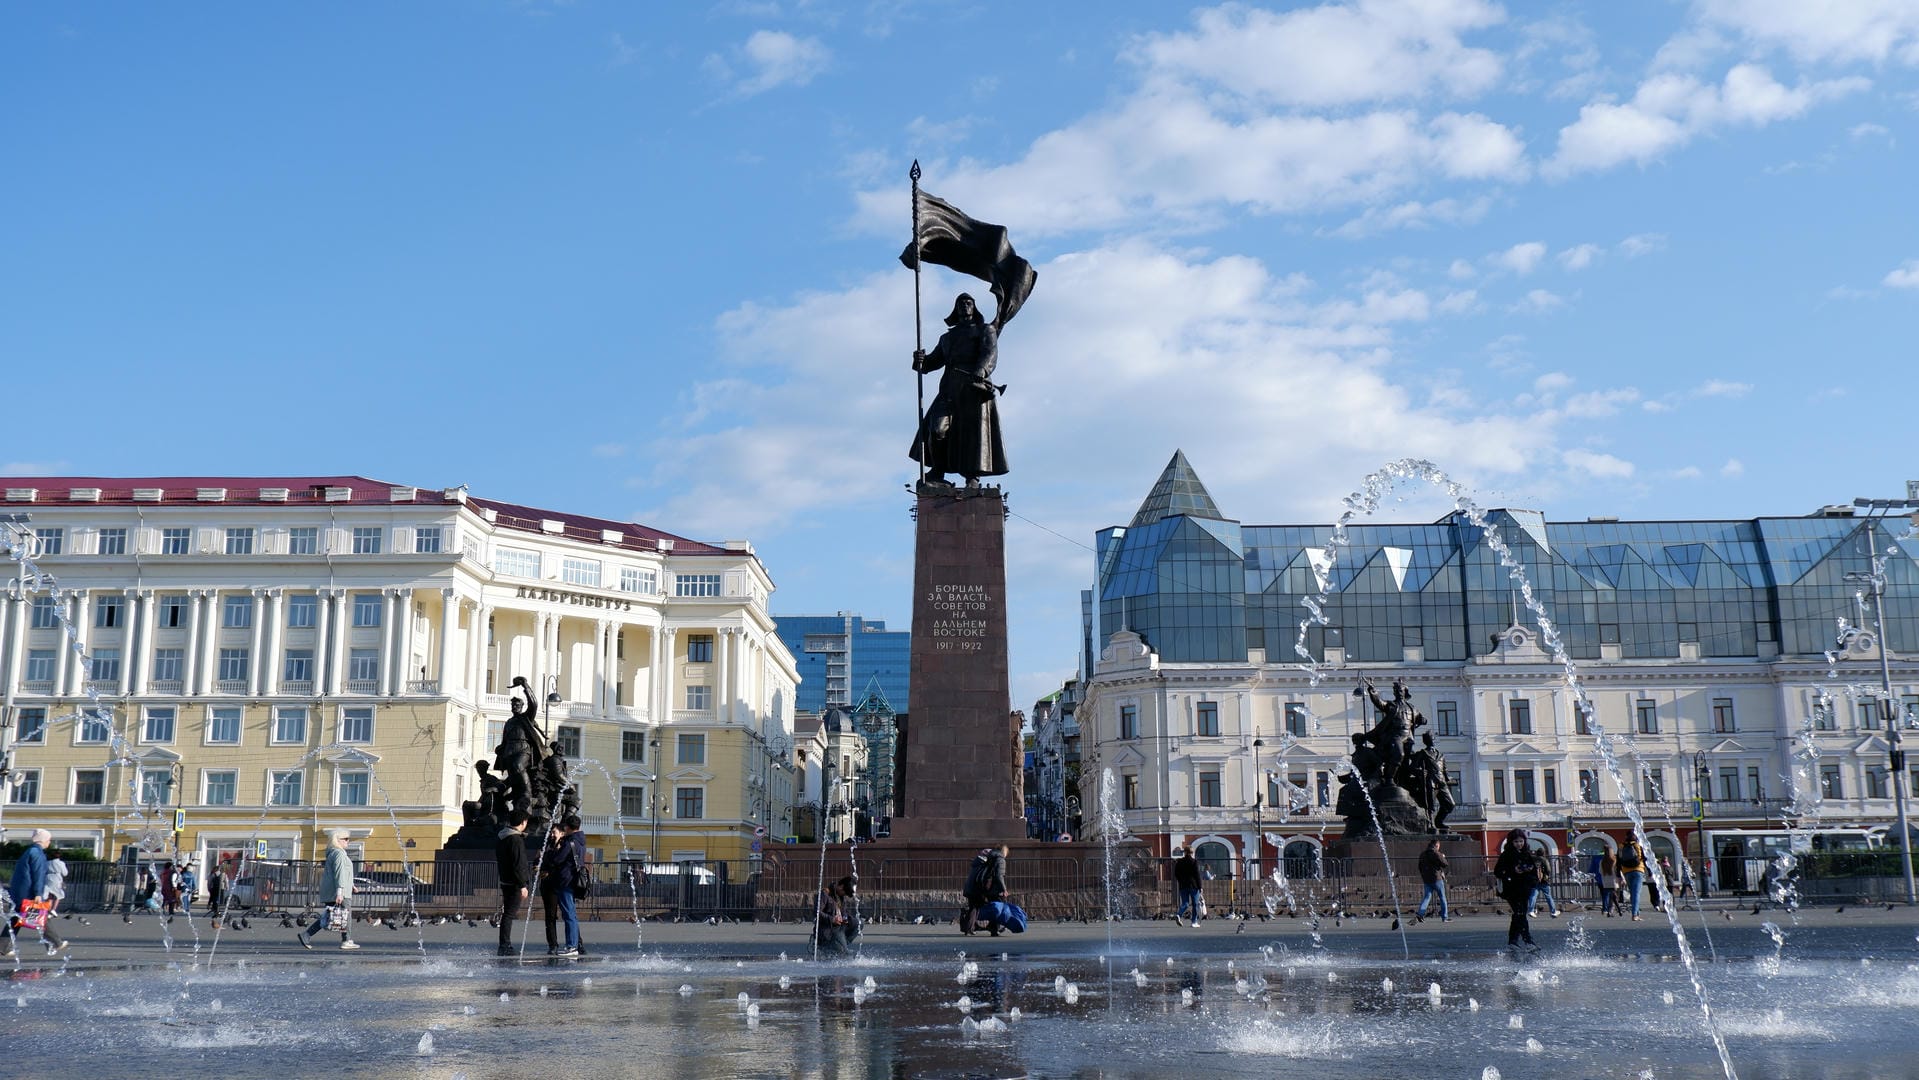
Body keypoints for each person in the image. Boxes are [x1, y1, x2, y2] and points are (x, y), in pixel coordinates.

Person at [910, 293, 1008, 487]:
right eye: (961, 303)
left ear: (974, 307)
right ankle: (937, 470)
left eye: (968, 302)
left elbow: (990, 353)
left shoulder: (984, 330)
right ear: (955, 309)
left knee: (973, 433)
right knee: (936, 429)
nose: (965, 305)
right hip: (949, 389)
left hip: (973, 389)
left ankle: (972, 476)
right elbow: (931, 364)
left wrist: (981, 370)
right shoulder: (947, 337)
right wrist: (920, 360)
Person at [4, 829, 70, 958]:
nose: (49, 842)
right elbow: (38, 875)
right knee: (40, 916)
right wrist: (38, 893)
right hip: (28, 891)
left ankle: (3, 946)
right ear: (43, 840)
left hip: (20, 890)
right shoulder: (37, 853)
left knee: (17, 918)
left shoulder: (29, 851)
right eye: (49, 840)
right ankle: (56, 942)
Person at [297, 830, 359, 950]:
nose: (348, 841)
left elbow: (342, 873)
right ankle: (346, 941)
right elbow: (340, 873)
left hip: (334, 889)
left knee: (329, 916)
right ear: (337, 840)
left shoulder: (333, 853)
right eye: (345, 839)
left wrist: (351, 885)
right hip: (339, 891)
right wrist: (340, 892)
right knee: (346, 915)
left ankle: (306, 935)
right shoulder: (339, 854)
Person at [1492, 828, 1544, 954]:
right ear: (1511, 842)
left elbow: (1533, 873)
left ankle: (1513, 942)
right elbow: (1498, 871)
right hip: (1511, 890)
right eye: (1516, 842)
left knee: (1518, 914)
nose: (1519, 844)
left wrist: (1530, 874)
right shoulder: (1507, 855)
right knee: (1520, 913)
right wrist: (1513, 871)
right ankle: (1528, 941)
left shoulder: (1526, 854)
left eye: (1521, 841)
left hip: (1524, 889)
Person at [540, 816, 583, 957]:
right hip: (573, 879)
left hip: (565, 880)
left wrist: (548, 855)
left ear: (568, 828)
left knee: (569, 914)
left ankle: (572, 946)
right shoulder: (581, 840)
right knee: (572, 914)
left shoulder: (570, 842)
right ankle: (574, 944)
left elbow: (558, 859)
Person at [494, 811, 531, 956]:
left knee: (507, 913)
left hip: (505, 879)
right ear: (523, 822)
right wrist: (522, 884)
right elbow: (518, 864)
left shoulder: (503, 837)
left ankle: (504, 944)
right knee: (509, 914)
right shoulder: (515, 839)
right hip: (515, 882)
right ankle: (504, 945)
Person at [960, 844, 1009, 936]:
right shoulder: (999, 859)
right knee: (996, 907)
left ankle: (970, 927)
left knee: (974, 907)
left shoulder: (983, 858)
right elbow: (999, 875)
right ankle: (991, 928)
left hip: (973, 886)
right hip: (987, 887)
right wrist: (1004, 889)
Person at [1415, 839, 1449, 922]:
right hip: (1436, 878)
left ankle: (1420, 914)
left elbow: (1419, 866)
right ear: (1436, 845)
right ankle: (1444, 917)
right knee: (1442, 897)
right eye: (1438, 846)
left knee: (1427, 897)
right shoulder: (1436, 853)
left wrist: (1424, 875)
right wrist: (1443, 856)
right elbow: (1445, 864)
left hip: (1427, 879)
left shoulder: (1423, 854)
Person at [1617, 837, 1648, 920]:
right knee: (1636, 893)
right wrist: (1650, 872)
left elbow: (1618, 861)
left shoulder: (1621, 846)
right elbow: (1644, 859)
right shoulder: (1638, 845)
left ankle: (1637, 913)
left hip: (1626, 871)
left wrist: (1618, 874)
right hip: (1638, 870)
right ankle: (1634, 915)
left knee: (1632, 893)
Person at [1172, 848, 1203, 926]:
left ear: (1185, 852)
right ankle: (1194, 922)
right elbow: (1197, 875)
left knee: (1185, 903)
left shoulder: (1180, 861)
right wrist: (1200, 886)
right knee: (1195, 904)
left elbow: (1176, 873)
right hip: (1193, 885)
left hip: (1183, 885)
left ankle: (1179, 914)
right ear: (1192, 853)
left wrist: (1181, 880)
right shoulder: (1194, 861)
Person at [1529, 853, 1561, 918]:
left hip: (1534, 881)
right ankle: (1553, 912)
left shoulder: (1532, 860)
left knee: (1533, 896)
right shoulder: (1544, 860)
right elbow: (1548, 870)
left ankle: (1531, 910)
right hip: (1544, 881)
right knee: (1548, 896)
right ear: (1543, 853)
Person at [208, 859, 231, 928]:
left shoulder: (214, 874)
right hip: (221, 889)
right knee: (220, 900)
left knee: (215, 900)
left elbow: (210, 881)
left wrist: (209, 888)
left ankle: (216, 910)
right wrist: (227, 887)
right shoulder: (223, 874)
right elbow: (226, 881)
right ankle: (218, 911)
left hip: (215, 888)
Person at [1598, 849, 1621, 916]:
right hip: (1614, 881)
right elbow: (1618, 871)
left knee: (1610, 895)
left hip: (1605, 881)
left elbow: (1600, 871)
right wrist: (1622, 879)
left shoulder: (1602, 861)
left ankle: (1612, 910)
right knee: (1614, 896)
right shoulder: (1614, 860)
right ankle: (1615, 910)